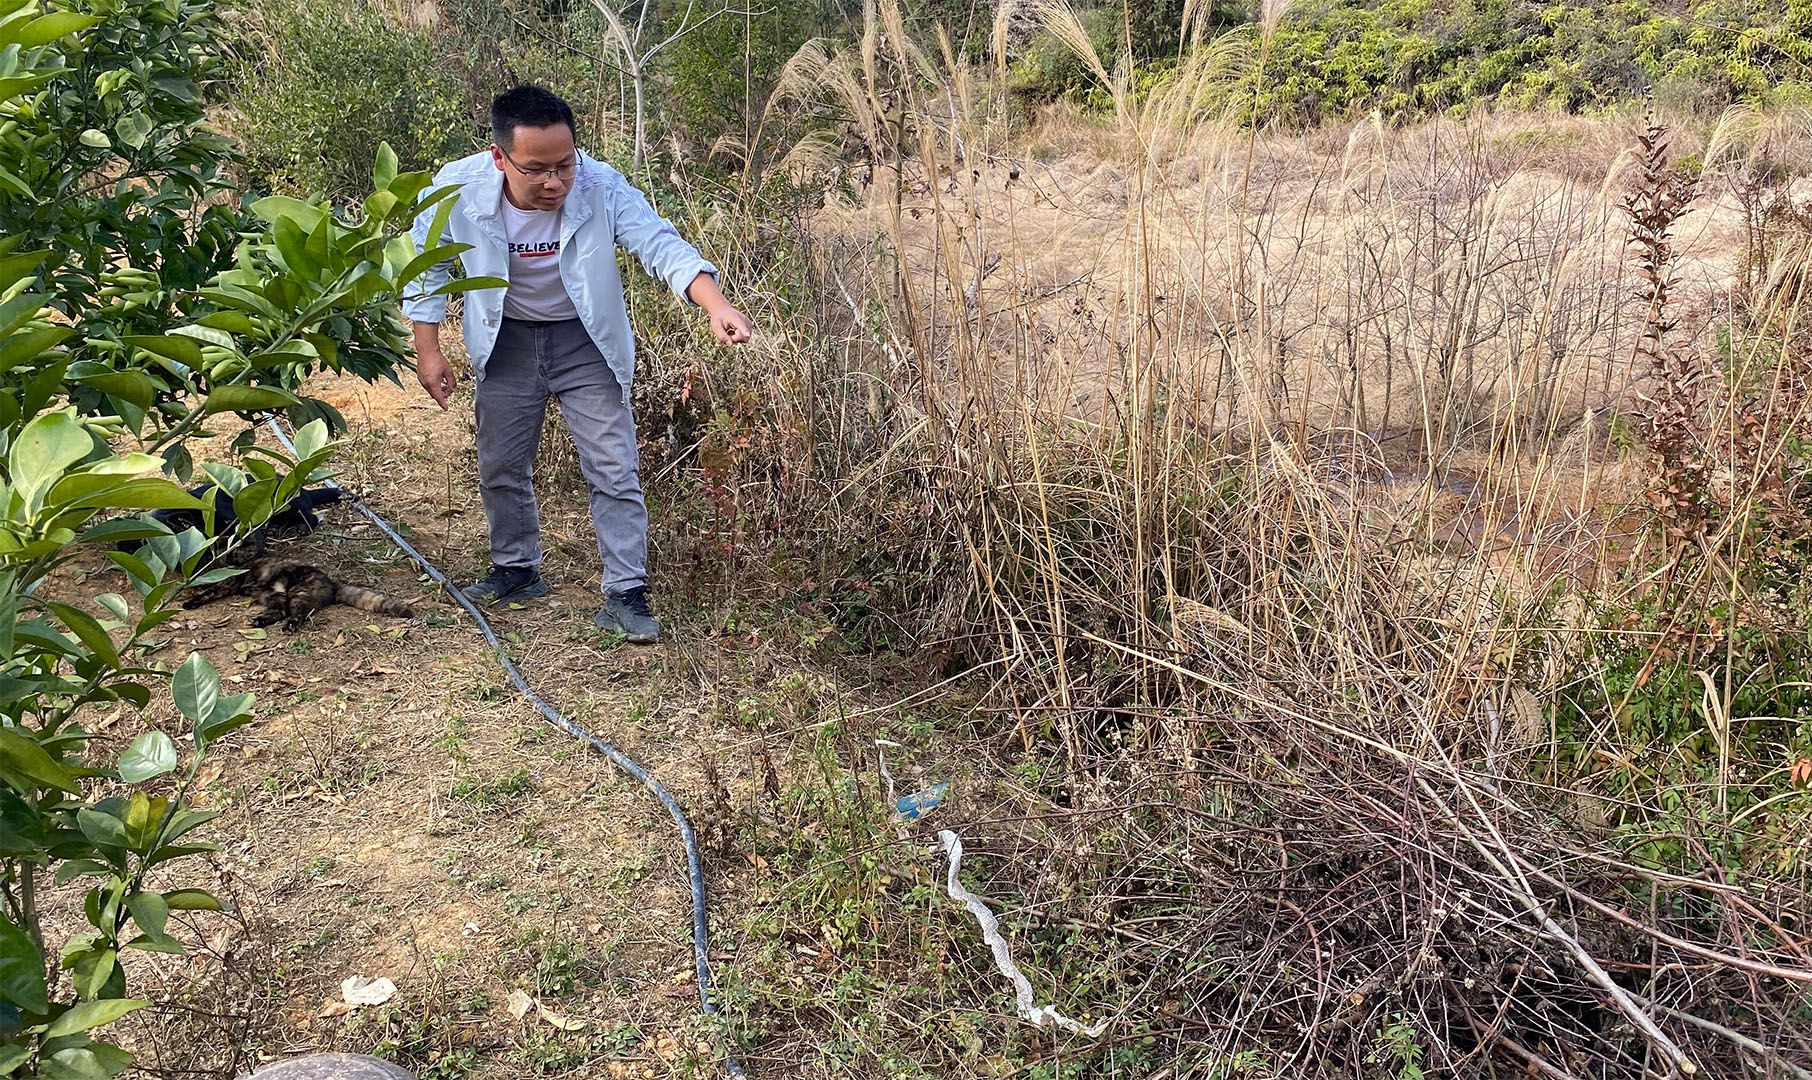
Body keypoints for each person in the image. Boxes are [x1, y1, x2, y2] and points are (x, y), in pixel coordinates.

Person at [404, 86, 752, 644]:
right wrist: (429, 348)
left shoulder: (600, 185)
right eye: (536, 169)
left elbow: (660, 244)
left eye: (564, 164)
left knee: (613, 468)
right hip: (506, 339)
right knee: (500, 462)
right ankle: (515, 571)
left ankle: (625, 594)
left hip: (584, 341)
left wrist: (715, 304)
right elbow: (425, 266)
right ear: (500, 158)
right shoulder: (455, 188)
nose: (554, 182)